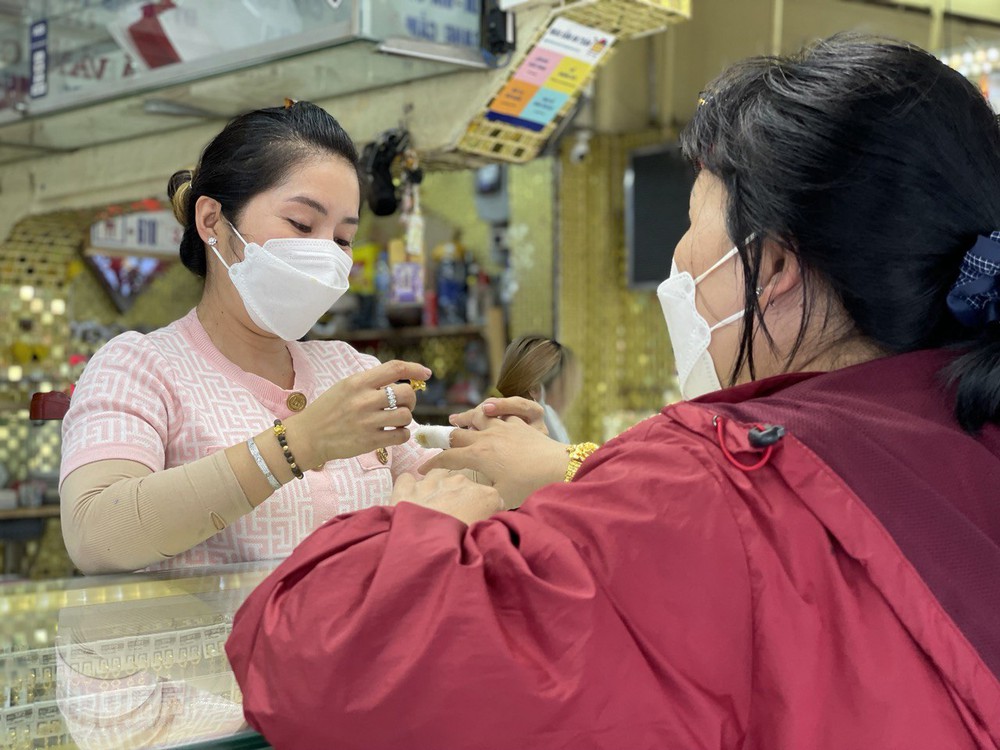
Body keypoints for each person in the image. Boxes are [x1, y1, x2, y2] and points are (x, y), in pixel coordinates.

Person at [225, 36, 1000, 749]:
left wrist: (421, 518)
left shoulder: (713, 479)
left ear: (771, 267)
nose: (680, 259)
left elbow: (322, 661)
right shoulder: (969, 429)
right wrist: (579, 475)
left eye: (693, 223)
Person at [59, 100, 433, 574]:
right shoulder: (141, 367)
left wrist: (510, 454)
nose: (326, 255)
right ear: (212, 220)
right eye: (301, 224)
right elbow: (96, 534)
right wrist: (299, 443)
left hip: (347, 647)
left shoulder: (351, 369)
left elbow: (432, 483)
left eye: (342, 238)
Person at [494, 334, 581, 443]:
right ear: (535, 390)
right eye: (564, 390)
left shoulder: (493, 426)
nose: (569, 400)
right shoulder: (544, 438)